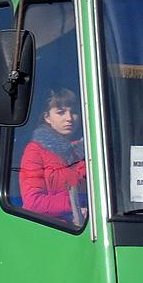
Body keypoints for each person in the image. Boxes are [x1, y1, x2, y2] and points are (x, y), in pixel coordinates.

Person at [19, 87, 88, 222]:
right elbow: (33, 202)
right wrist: (74, 206)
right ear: (47, 117)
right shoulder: (35, 151)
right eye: (61, 112)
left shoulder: (93, 150)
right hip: (54, 230)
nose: (69, 118)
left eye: (74, 112)